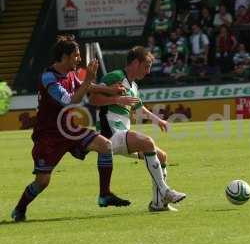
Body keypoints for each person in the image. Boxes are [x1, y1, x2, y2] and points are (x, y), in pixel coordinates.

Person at [11, 35, 130, 222]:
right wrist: (88, 80)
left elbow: (86, 86)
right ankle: (20, 208)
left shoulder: (70, 74)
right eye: (76, 55)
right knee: (42, 182)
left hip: (70, 130)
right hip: (49, 136)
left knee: (105, 146)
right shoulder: (48, 77)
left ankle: (104, 195)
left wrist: (110, 90)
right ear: (64, 57)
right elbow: (70, 102)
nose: (79, 59)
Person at [89, 46, 186, 212]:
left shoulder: (133, 85)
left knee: (162, 156)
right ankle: (165, 190)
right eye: (146, 65)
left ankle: (157, 203)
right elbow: (93, 98)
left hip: (122, 135)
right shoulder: (115, 76)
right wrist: (117, 99)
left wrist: (158, 121)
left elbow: (139, 109)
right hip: (109, 135)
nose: (148, 71)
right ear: (135, 63)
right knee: (148, 142)